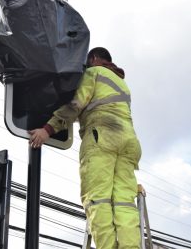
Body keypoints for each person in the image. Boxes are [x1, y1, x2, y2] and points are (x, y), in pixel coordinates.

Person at [29, 47, 142, 249]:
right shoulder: (123, 84)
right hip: (129, 143)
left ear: (94, 59)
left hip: (102, 137)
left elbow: (76, 105)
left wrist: (47, 129)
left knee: (99, 200)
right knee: (124, 202)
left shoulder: (93, 73)